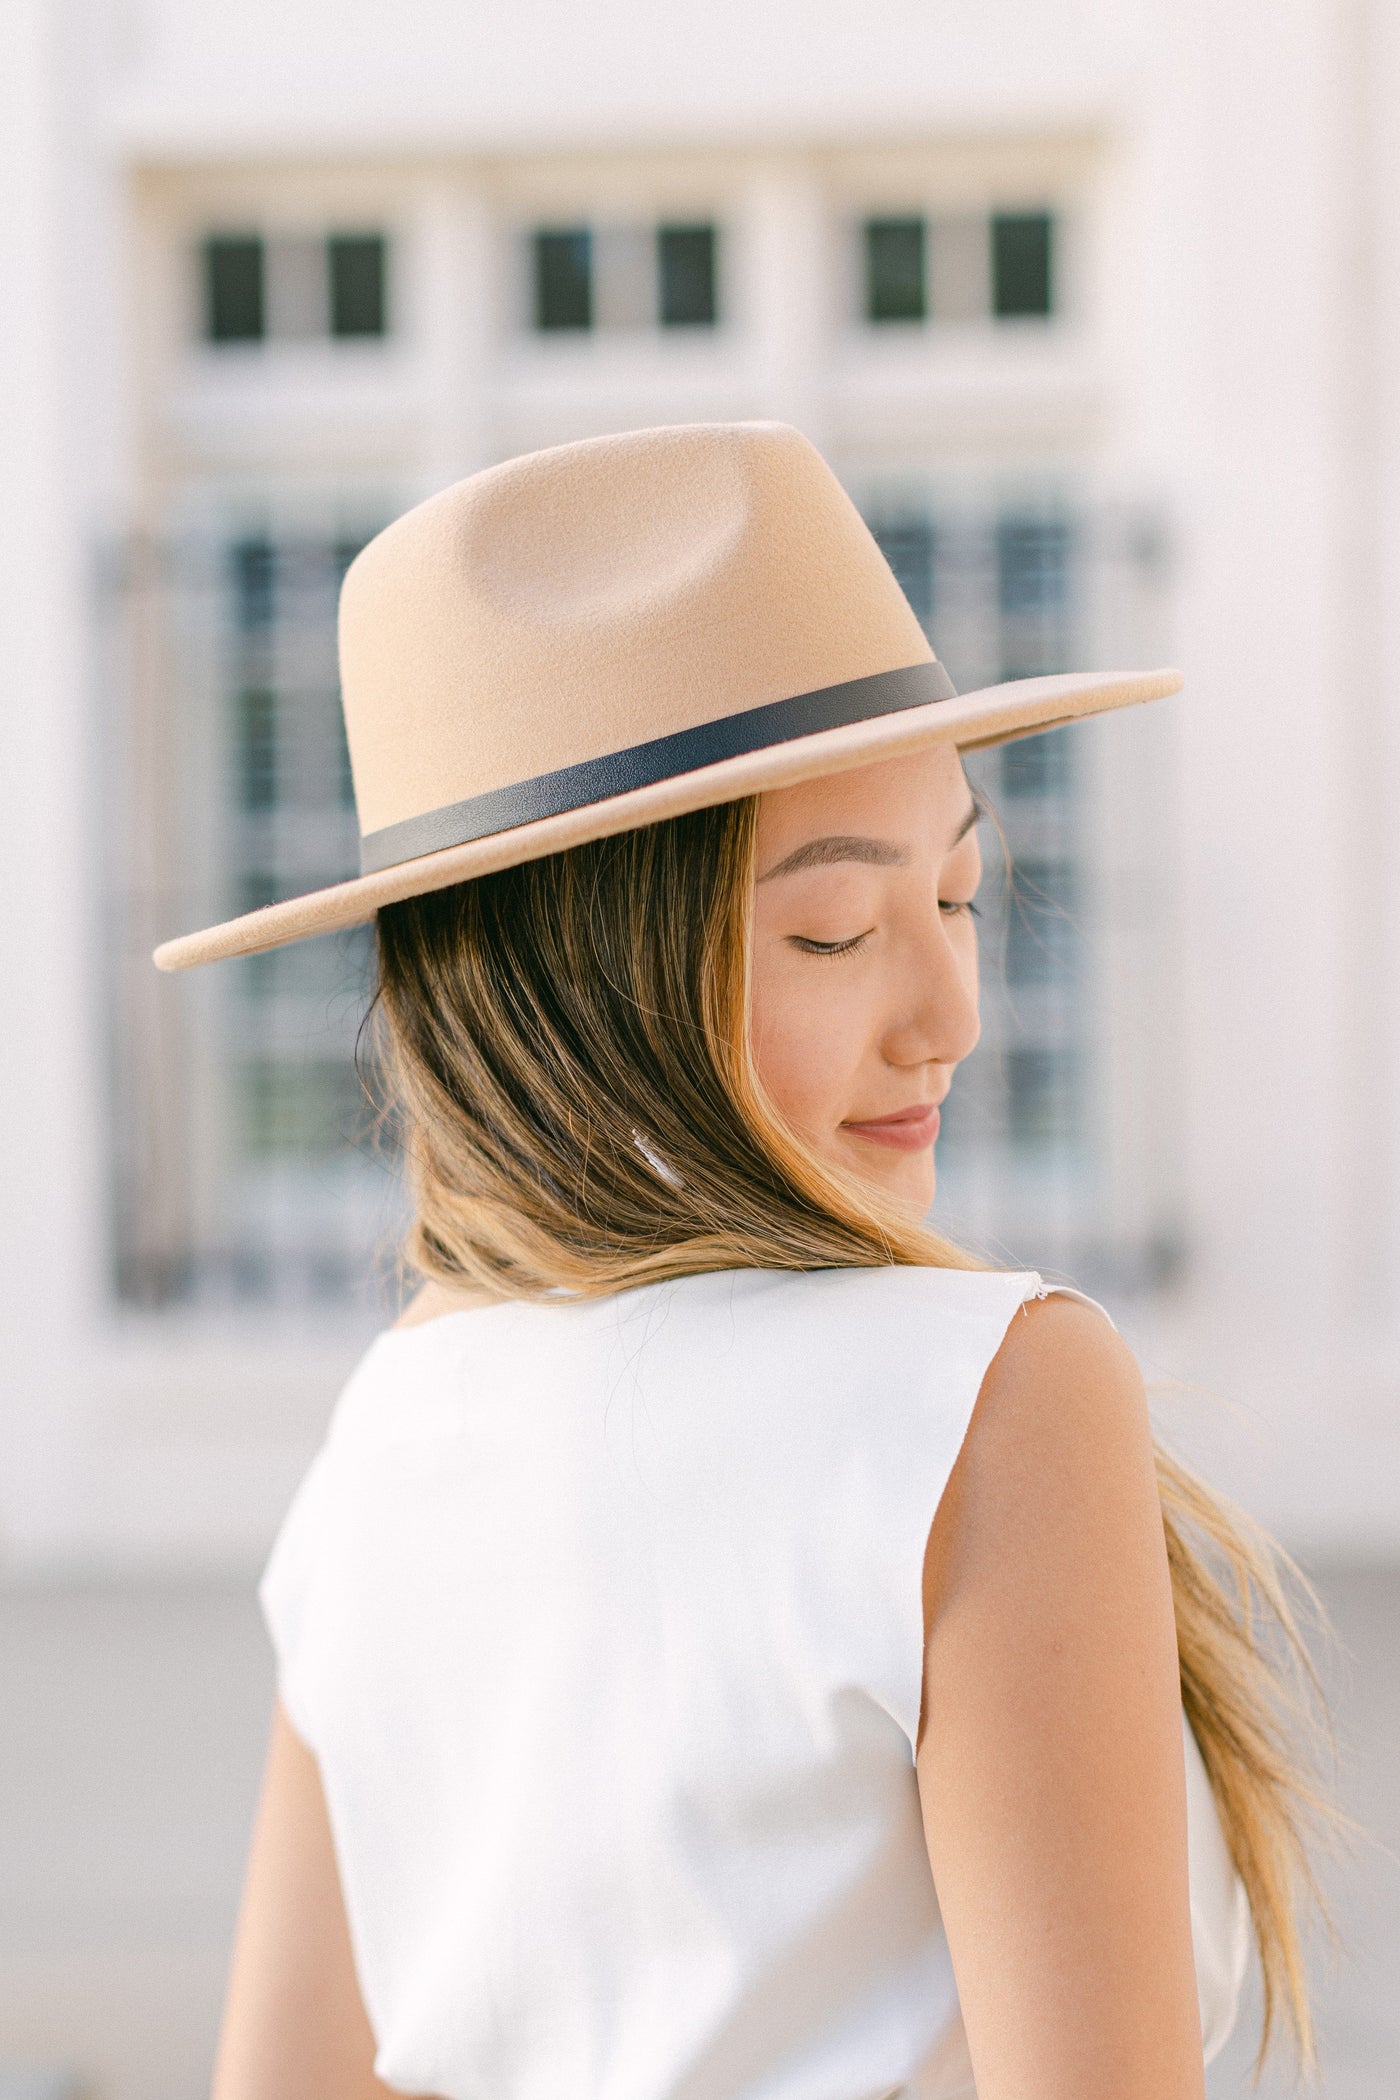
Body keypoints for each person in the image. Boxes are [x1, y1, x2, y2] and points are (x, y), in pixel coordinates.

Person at [155, 423, 1328, 2100]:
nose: (952, 1017)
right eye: (835, 933)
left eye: (964, 894)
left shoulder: (391, 1423)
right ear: (582, 982)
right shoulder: (988, 1393)